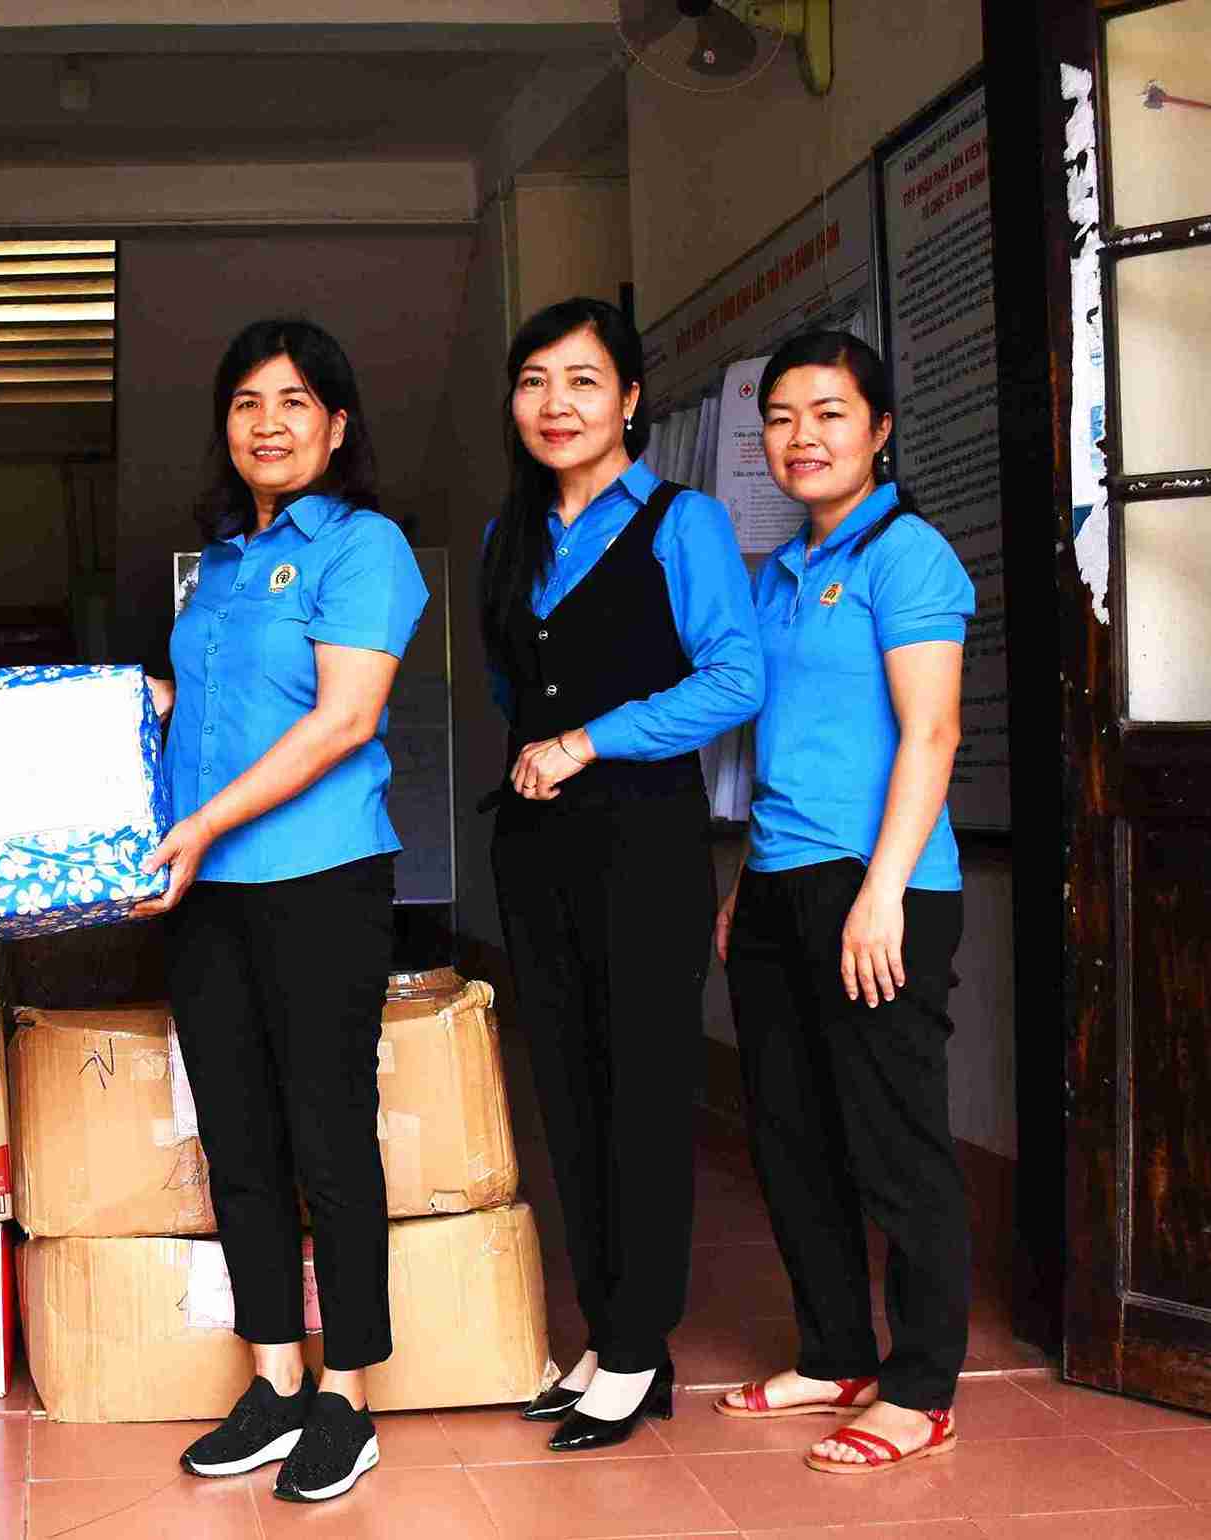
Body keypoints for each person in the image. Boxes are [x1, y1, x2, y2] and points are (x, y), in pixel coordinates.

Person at [134, 318, 428, 1506]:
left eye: (296, 400)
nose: (268, 421)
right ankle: (272, 1378)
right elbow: (197, 706)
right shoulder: (218, 560)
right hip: (206, 895)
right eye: (248, 401)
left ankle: (346, 1396)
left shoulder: (368, 547)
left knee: (328, 1135)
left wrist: (201, 826)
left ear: (338, 423)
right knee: (239, 1137)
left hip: (319, 878)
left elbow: (344, 719)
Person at [479, 296, 762, 1451]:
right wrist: (545, 751)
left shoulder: (683, 525)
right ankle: (607, 1333)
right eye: (536, 380)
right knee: (568, 1087)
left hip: (643, 834)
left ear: (631, 399)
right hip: (537, 842)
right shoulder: (513, 536)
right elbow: (512, 687)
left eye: (584, 381)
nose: (558, 404)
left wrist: (590, 739)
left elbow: (735, 677)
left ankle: (642, 1346)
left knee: (643, 1088)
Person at [714, 330, 974, 1476]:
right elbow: (785, 749)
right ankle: (834, 1350)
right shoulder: (773, 577)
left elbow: (932, 731)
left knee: (894, 1141)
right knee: (791, 1135)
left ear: (878, 429)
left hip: (886, 886)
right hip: (779, 886)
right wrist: (744, 885)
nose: (802, 435)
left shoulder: (906, 556)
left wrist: (881, 894)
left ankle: (920, 1388)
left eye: (829, 411)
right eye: (780, 416)